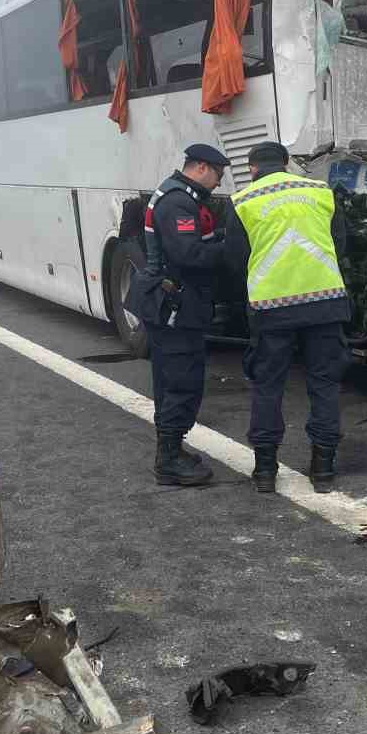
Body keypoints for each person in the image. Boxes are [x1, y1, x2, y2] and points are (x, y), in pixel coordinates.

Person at [229, 141, 350, 494]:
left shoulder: (243, 201)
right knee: (324, 384)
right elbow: (340, 243)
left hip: (271, 308)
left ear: (252, 168)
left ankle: (265, 470)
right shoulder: (320, 192)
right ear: (286, 164)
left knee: (268, 386)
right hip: (325, 302)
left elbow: (235, 259)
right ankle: (323, 469)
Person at [128, 143, 231, 486]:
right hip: (174, 305)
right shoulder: (177, 202)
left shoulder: (178, 195)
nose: (219, 182)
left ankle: (171, 450)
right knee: (181, 381)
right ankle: (169, 459)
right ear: (201, 167)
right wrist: (227, 248)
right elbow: (188, 254)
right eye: (218, 174)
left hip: (172, 302)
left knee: (172, 378)